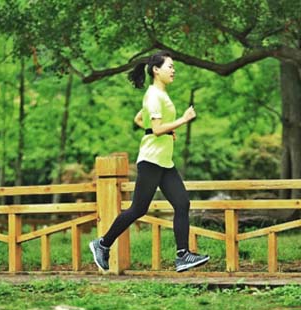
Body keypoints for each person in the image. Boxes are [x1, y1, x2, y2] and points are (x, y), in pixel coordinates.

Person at [89, 50, 210, 273]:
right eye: (170, 66)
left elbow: (140, 119)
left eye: (174, 67)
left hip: (164, 161)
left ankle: (183, 255)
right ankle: (102, 244)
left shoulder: (159, 95)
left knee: (182, 203)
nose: (174, 70)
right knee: (138, 209)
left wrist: (167, 131)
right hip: (152, 159)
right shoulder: (154, 95)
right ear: (156, 70)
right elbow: (155, 129)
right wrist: (181, 121)